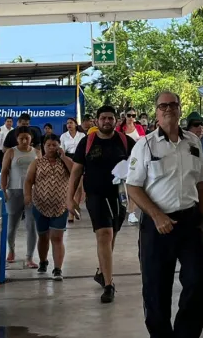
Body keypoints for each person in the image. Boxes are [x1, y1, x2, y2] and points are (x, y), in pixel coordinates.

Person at [127, 91, 203, 338]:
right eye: (163, 105)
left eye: (173, 104)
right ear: (156, 111)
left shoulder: (193, 143)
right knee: (156, 291)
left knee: (197, 283)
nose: (168, 109)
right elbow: (132, 186)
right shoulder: (145, 145)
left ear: (180, 108)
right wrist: (156, 215)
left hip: (189, 224)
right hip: (157, 226)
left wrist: (201, 218)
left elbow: (201, 182)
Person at [69, 105, 135, 303]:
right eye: (103, 118)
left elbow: (138, 167)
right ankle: (108, 284)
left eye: (111, 118)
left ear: (116, 121)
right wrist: (69, 198)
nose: (107, 121)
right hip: (95, 195)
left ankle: (101, 271)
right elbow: (75, 172)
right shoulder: (87, 142)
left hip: (119, 197)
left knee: (111, 235)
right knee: (104, 234)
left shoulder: (126, 141)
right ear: (97, 121)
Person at [24, 134, 74, 280]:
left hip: (60, 206)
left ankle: (58, 269)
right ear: (43, 147)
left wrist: (64, 157)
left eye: (55, 145)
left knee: (57, 237)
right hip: (40, 205)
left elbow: (75, 172)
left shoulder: (65, 162)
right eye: (49, 145)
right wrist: (27, 196)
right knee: (43, 236)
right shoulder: (37, 163)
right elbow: (28, 181)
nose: (52, 148)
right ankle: (43, 261)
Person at [0, 127, 41, 268]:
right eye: (21, 138)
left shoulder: (37, 153)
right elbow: (4, 172)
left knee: (31, 225)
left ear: (31, 139)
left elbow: (41, 173)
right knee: (12, 225)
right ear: (17, 139)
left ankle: (29, 257)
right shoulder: (11, 152)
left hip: (33, 192)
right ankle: (11, 250)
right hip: (14, 191)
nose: (24, 140)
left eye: (27, 138)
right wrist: (3, 190)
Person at [60, 117, 86, 222]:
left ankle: (75, 209)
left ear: (75, 124)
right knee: (70, 185)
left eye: (71, 123)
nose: (69, 125)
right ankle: (71, 211)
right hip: (68, 159)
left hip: (80, 159)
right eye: (67, 123)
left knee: (79, 187)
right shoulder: (63, 136)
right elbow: (61, 149)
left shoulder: (82, 135)